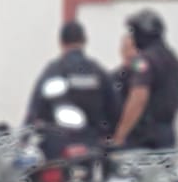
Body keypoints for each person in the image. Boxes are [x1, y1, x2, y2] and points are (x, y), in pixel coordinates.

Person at [26, 19, 119, 149]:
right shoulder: (98, 72)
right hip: (93, 147)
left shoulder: (53, 71)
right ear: (84, 40)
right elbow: (114, 112)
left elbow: (35, 111)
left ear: (61, 42)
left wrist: (24, 141)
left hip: (59, 149)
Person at [110, 9, 178, 150]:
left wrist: (120, 135)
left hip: (144, 137)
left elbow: (139, 98)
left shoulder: (143, 61)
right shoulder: (171, 57)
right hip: (167, 133)